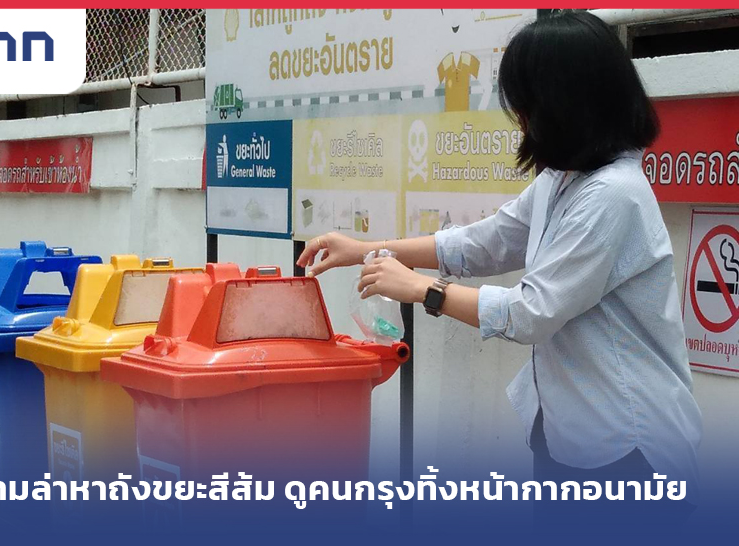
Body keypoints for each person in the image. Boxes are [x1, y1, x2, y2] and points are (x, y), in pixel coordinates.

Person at [297, 11, 701, 529]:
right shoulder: (564, 179)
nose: (521, 120)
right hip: (568, 431)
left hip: (628, 446)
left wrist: (425, 291)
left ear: (563, 104)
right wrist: (366, 250)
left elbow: (532, 312)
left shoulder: (612, 196)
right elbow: (484, 242)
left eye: (526, 104)